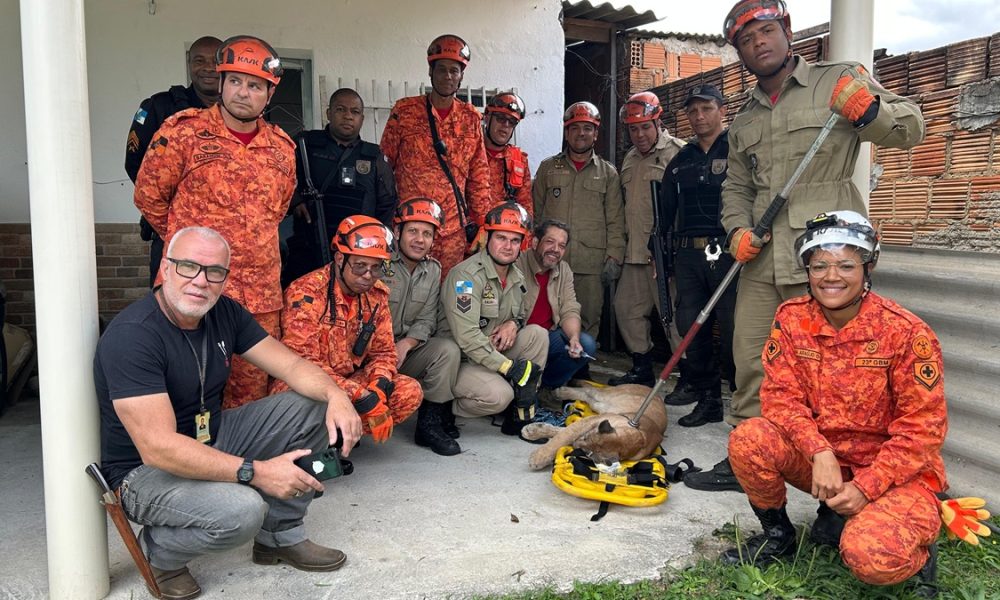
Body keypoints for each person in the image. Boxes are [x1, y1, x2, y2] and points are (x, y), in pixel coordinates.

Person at [695, 0, 926, 491]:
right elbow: (735, 187)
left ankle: (851, 465)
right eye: (746, 39)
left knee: (841, 365)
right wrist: (736, 230)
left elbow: (912, 128)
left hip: (829, 254)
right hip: (761, 253)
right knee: (754, 357)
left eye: (766, 30)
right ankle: (752, 454)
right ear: (739, 52)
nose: (758, 42)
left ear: (787, 30)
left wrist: (869, 111)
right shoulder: (744, 118)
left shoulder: (838, 80)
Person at [95, 227, 364, 600]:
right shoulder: (134, 336)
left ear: (225, 278)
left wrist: (337, 395)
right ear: (165, 268)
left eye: (214, 271)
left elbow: (292, 367)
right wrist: (257, 472)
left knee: (313, 405)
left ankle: (279, 538)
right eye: (188, 266)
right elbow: (158, 448)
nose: (200, 281)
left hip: (210, 435)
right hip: (143, 472)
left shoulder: (224, 313)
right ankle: (160, 553)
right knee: (242, 511)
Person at [722, 211, 946, 594]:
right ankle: (779, 535)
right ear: (806, 269)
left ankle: (919, 552)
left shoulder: (905, 332)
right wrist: (818, 450)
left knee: (872, 557)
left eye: (846, 264)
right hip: (826, 464)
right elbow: (780, 396)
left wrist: (867, 486)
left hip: (893, 474)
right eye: (819, 265)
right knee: (750, 438)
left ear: (867, 266)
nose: (831, 276)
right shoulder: (791, 318)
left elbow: (923, 430)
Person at [134, 35, 298, 409]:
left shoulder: (283, 149)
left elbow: (278, 210)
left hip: (257, 295)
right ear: (221, 83)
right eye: (235, 81)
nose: (244, 92)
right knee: (184, 389)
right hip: (193, 287)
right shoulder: (182, 132)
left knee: (248, 396)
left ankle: (242, 464)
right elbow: (149, 196)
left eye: (255, 85)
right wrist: (189, 249)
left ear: (269, 94)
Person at [272, 216, 422, 444]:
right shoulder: (306, 293)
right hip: (309, 383)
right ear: (340, 258)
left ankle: (341, 436)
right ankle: (321, 437)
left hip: (349, 379)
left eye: (376, 268)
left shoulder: (377, 295)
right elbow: (301, 361)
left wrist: (379, 385)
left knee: (408, 391)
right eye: (360, 266)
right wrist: (361, 396)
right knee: (290, 395)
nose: (368, 276)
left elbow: (383, 353)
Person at [379, 34, 494, 277]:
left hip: (452, 229)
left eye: (454, 70)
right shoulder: (405, 111)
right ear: (430, 72)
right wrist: (386, 218)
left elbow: (479, 176)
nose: (448, 76)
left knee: (450, 293)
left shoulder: (471, 118)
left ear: (462, 75)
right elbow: (384, 165)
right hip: (412, 227)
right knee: (404, 292)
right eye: (441, 69)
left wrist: (484, 223)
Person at [656, 84, 737, 429]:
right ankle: (708, 400)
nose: (699, 116)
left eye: (706, 108)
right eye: (693, 111)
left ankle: (743, 397)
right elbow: (666, 214)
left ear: (721, 110)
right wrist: (665, 259)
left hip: (731, 252)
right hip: (689, 256)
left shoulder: (738, 149)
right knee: (691, 327)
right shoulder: (681, 159)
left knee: (736, 330)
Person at [438, 203, 548, 435]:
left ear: (522, 244)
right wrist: (508, 368)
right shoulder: (465, 277)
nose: (508, 247)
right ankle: (444, 407)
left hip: (491, 352)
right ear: (487, 237)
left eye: (515, 240)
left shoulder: (516, 277)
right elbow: (467, 337)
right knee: (499, 396)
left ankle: (520, 407)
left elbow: (520, 316)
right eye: (501, 238)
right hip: (462, 361)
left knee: (538, 335)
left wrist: (514, 324)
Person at [125, 35, 223, 287]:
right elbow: (136, 165)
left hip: (227, 233)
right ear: (189, 64)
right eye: (199, 60)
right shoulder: (161, 106)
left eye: (216, 61)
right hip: (174, 231)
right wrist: (175, 214)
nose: (208, 68)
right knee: (172, 303)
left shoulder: (240, 112)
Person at [608, 91, 685, 387]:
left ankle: (689, 376)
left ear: (658, 122)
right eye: (633, 129)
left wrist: (673, 253)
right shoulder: (629, 159)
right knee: (625, 310)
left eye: (645, 126)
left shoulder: (677, 153)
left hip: (664, 256)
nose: (639, 134)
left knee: (674, 317)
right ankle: (642, 367)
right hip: (635, 253)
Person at [283, 88, 398, 285]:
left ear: (362, 118)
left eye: (354, 112)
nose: (347, 116)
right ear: (328, 113)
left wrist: (378, 245)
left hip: (356, 256)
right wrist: (295, 201)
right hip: (307, 248)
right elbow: (279, 180)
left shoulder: (374, 156)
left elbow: (387, 204)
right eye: (340, 109)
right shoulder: (306, 145)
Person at [533, 102, 624, 340]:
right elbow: (536, 212)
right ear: (566, 132)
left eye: (587, 128)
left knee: (588, 317)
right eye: (575, 128)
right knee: (547, 314)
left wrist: (615, 254)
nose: (581, 133)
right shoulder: (548, 168)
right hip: (550, 259)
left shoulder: (608, 173)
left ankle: (580, 366)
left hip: (590, 263)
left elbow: (615, 218)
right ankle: (549, 363)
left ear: (595, 133)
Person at [384, 198, 463, 456]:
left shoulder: (433, 270)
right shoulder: (379, 263)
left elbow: (427, 319)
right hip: (368, 353)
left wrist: (406, 344)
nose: (420, 239)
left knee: (447, 350)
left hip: (402, 351)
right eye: (413, 231)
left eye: (427, 234)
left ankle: (429, 425)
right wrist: (385, 350)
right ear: (397, 233)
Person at [515, 219, 595, 390]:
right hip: (520, 338)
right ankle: (522, 389)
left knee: (586, 344)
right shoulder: (516, 263)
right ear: (535, 242)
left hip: (548, 338)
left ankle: (544, 388)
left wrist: (573, 338)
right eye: (550, 242)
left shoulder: (563, 269)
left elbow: (570, 308)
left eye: (561, 246)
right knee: (538, 335)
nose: (555, 250)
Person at [483, 92, 533, 223]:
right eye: (500, 118)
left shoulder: (519, 161)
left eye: (511, 122)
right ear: (487, 118)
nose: (505, 125)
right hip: (469, 236)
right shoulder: (468, 152)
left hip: (505, 235)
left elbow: (526, 206)